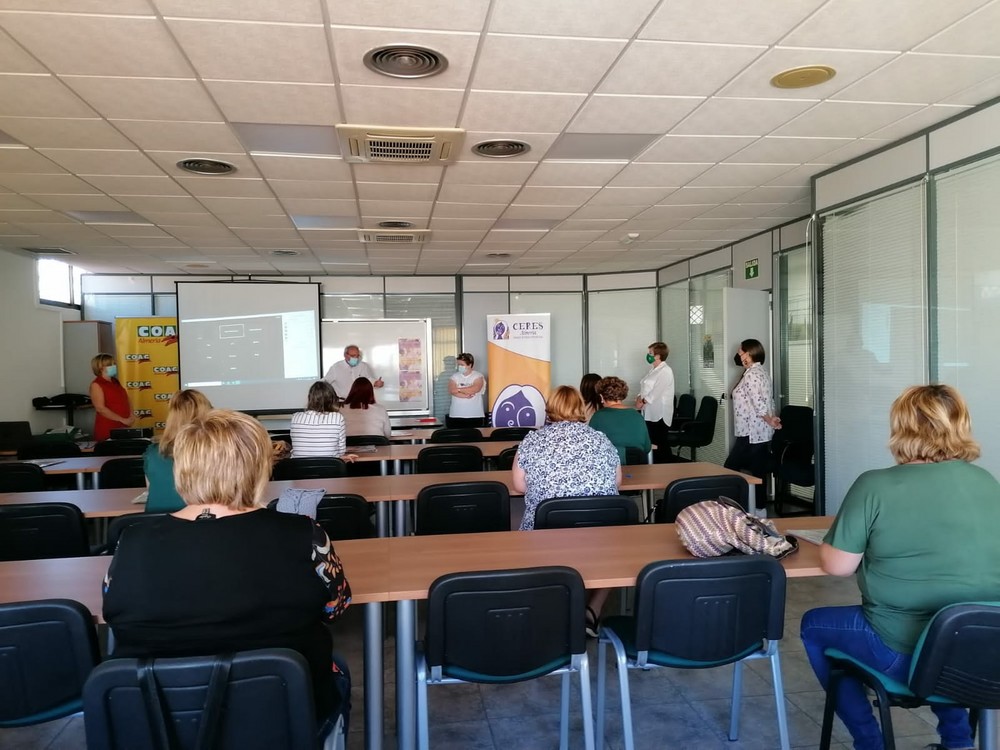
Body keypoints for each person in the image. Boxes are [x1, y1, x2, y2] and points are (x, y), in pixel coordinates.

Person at [103, 409, 353, 732]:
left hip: (157, 723)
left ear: (182, 468)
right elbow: (336, 607)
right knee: (338, 669)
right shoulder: (304, 533)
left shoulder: (131, 540)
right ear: (258, 467)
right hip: (282, 714)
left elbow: (115, 613)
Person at [801, 385, 1000, 750]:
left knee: (814, 626)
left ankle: (869, 743)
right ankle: (957, 742)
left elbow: (838, 566)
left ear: (901, 426)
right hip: (982, 650)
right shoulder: (987, 482)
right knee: (949, 629)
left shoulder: (875, 485)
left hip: (900, 652)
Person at [513, 385, 621, 635]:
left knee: (522, 526)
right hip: (600, 532)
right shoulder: (601, 438)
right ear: (580, 408)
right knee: (618, 547)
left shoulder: (533, 440)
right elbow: (616, 483)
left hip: (547, 531)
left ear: (550, 408)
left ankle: (552, 606)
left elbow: (519, 486)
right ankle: (592, 610)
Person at [143, 388, 212, 513]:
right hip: (203, 521)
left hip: (157, 523)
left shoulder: (152, 453)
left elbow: (151, 490)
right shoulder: (218, 452)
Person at [724, 338, 781, 481]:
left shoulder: (751, 375)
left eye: (741, 351)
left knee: (730, 467)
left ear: (748, 354)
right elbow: (769, 400)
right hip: (759, 431)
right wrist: (772, 418)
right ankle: (756, 497)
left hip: (750, 431)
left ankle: (729, 494)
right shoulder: (761, 371)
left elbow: (758, 403)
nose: (738, 353)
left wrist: (770, 420)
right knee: (758, 470)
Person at [589, 376, 651, 464]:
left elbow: (590, 447)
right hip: (636, 467)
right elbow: (647, 448)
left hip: (609, 468)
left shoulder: (598, 417)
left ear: (601, 397)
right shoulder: (637, 416)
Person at [635, 342, 674, 462]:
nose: (648, 355)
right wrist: (639, 398)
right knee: (652, 441)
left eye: (650, 353)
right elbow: (644, 386)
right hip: (649, 411)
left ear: (658, 356)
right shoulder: (653, 370)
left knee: (660, 443)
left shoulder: (665, 371)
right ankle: (654, 465)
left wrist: (643, 401)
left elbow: (657, 391)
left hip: (659, 413)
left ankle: (666, 467)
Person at [291, 380, 349, 459]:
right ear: (332, 399)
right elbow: (341, 451)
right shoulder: (338, 418)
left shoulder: (295, 417)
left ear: (310, 398)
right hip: (329, 465)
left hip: (299, 466)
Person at [89, 353, 134, 442]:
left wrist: (131, 415)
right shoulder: (97, 384)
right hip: (108, 428)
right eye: (111, 365)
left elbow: (126, 399)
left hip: (123, 426)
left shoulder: (115, 382)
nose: (114, 366)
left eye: (114, 364)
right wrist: (122, 420)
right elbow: (100, 408)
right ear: (101, 368)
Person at [447, 352, 486, 428]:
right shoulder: (454, 376)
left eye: (462, 365)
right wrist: (465, 395)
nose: (459, 367)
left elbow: (475, 389)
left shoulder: (478, 376)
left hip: (475, 415)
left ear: (470, 365)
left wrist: (458, 390)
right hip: (456, 415)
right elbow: (452, 390)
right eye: (458, 364)